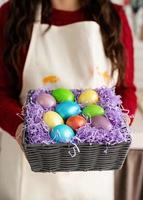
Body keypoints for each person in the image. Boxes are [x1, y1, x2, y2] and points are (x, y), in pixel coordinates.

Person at [0, 0, 137, 200]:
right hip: (29, 165)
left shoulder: (114, 17)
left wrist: (120, 122)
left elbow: (126, 89)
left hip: (94, 167)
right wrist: (22, 128)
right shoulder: (12, 14)